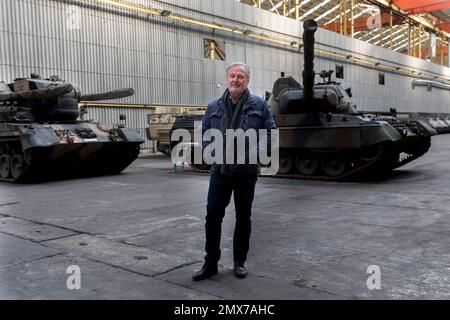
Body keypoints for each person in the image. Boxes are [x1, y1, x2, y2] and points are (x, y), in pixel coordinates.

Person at [192, 62, 276, 281]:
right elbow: (205, 133)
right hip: (220, 170)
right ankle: (210, 263)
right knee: (212, 215)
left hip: (246, 171)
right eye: (232, 76)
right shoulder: (214, 106)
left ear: (247, 81)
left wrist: (256, 154)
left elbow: (270, 131)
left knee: (243, 217)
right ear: (227, 78)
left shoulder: (259, 104)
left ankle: (239, 262)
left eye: (240, 76)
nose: (235, 80)